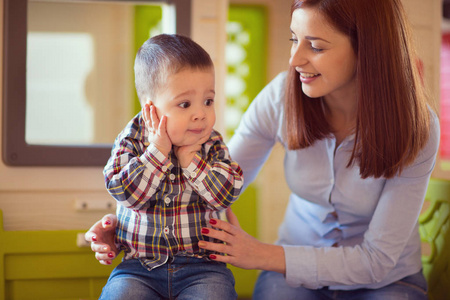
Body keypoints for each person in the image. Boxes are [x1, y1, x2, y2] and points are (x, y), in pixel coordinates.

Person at [86, 0, 440, 299]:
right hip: (290, 276)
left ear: (368, 49)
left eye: (315, 46)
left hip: (385, 280)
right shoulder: (282, 97)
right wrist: (131, 221)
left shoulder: (417, 127)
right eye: (293, 39)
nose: (295, 59)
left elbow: (377, 259)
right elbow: (213, 182)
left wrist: (260, 254)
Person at [94, 33, 244, 300]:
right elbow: (125, 194)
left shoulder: (212, 142)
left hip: (204, 269)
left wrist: (191, 161)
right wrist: (158, 151)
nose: (200, 113)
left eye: (208, 101)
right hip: (138, 269)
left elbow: (225, 195)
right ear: (150, 109)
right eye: (185, 104)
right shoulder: (130, 140)